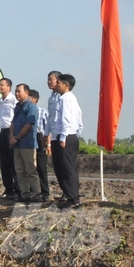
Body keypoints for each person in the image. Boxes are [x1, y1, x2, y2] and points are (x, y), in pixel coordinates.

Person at [51, 74, 83, 210]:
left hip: (66, 136)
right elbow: (79, 117)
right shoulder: (69, 98)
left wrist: (63, 137)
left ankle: (73, 199)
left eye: (59, 83)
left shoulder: (66, 98)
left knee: (68, 168)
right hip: (69, 135)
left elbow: (67, 119)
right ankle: (71, 197)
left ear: (66, 84)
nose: (56, 85)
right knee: (64, 167)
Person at [10, 84, 41, 202]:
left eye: (19, 91)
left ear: (26, 92)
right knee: (19, 169)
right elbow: (13, 123)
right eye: (16, 92)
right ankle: (25, 193)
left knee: (30, 169)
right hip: (17, 144)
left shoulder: (31, 107)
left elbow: (28, 125)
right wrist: (11, 136)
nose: (17, 94)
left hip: (27, 143)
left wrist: (17, 137)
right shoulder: (17, 106)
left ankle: (37, 194)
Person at [0, 78, 19, 199]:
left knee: (13, 161)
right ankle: (8, 188)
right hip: (3, 131)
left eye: (2, 85)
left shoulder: (14, 100)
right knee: (4, 162)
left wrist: (13, 133)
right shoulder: (0, 101)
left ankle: (17, 189)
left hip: (12, 132)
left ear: (9, 87)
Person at [29, 89, 50, 201]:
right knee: (30, 167)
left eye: (29, 98)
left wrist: (48, 144)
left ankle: (45, 192)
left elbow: (47, 129)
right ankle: (34, 191)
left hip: (40, 137)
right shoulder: (25, 111)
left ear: (35, 99)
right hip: (28, 139)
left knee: (41, 167)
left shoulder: (43, 112)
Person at [47, 70, 63, 199]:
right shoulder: (51, 97)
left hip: (62, 136)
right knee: (57, 166)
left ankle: (70, 194)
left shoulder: (63, 97)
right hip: (54, 136)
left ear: (58, 80)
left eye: (51, 79)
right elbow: (50, 118)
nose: (48, 82)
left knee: (65, 166)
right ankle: (64, 191)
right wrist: (46, 136)